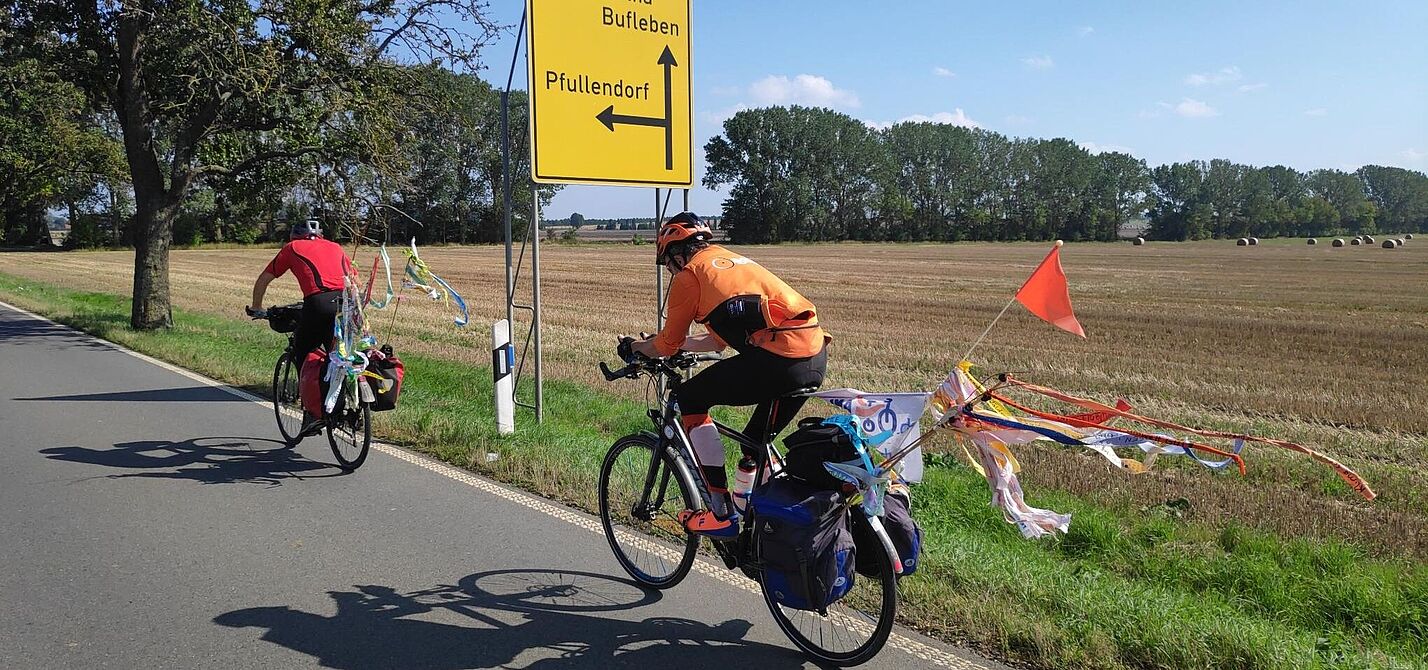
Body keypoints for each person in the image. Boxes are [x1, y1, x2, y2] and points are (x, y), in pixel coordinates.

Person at [625, 212, 830, 538]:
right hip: (813, 356)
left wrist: (637, 346)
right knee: (754, 445)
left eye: (667, 262)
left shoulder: (690, 275)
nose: (669, 270)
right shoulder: (731, 261)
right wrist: (666, 345)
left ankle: (720, 513)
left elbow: (667, 344)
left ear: (678, 252)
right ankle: (759, 524)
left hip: (778, 360)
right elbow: (716, 341)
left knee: (688, 399)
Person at [247, 219, 357, 423]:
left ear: (294, 235)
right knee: (339, 356)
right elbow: (354, 278)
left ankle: (312, 413)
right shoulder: (335, 247)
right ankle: (345, 407)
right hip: (348, 304)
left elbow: (265, 278)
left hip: (318, 303)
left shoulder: (292, 247)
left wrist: (256, 308)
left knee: (304, 352)